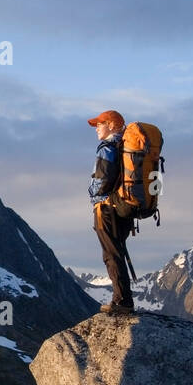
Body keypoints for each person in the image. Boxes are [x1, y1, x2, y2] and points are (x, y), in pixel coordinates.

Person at [87, 110, 135, 314]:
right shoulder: (125, 147)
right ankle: (123, 299)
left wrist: (92, 193)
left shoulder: (107, 148)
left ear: (113, 125)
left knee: (111, 254)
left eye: (101, 124)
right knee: (117, 251)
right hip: (124, 207)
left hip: (107, 209)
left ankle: (122, 301)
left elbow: (103, 179)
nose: (97, 128)